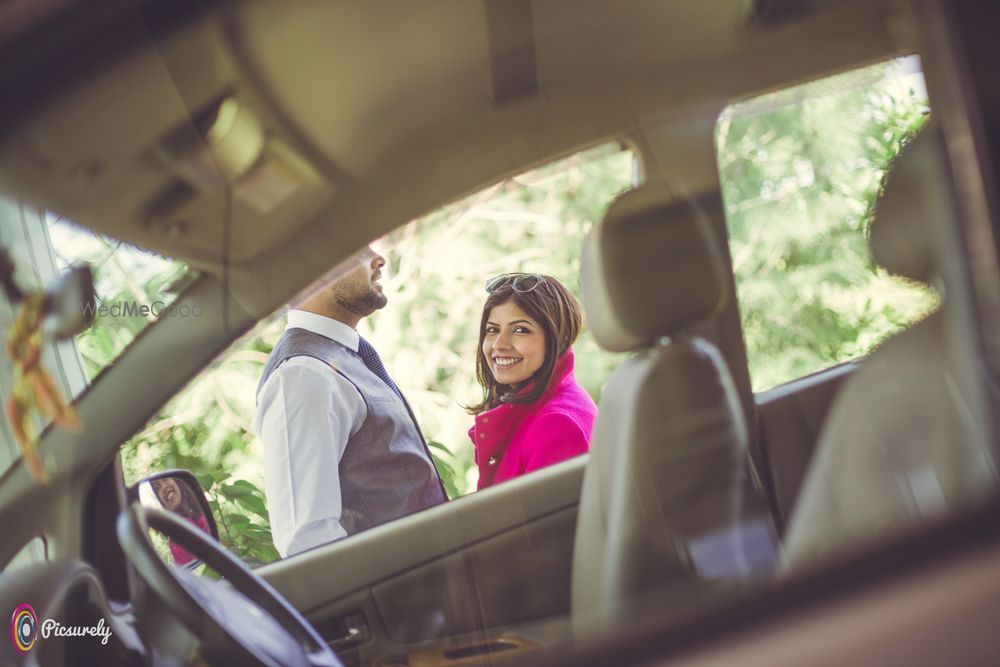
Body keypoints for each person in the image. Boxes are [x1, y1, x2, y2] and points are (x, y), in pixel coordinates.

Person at [253, 245, 447, 558]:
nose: (379, 259)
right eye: (359, 249)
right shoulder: (303, 374)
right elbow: (308, 540)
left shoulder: (339, 358)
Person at [468, 273, 597, 489]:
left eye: (520, 330)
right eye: (493, 330)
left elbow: (547, 523)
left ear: (559, 337)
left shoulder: (557, 424)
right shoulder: (529, 410)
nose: (499, 344)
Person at [151, 476, 210, 567]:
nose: (164, 487)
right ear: (161, 501)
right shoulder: (176, 538)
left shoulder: (201, 509)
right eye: (157, 486)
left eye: (165, 479)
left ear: (177, 482)